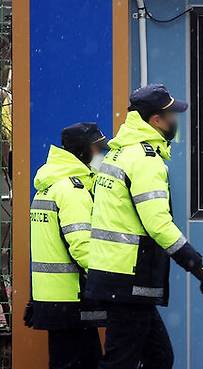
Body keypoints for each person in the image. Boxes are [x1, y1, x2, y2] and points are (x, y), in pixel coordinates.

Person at [85, 84, 203, 369]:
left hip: (114, 276)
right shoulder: (145, 160)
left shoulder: (118, 154)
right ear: (156, 120)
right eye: (171, 115)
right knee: (123, 361)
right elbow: (157, 222)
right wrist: (193, 260)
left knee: (158, 357)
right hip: (129, 278)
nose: (175, 121)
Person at [25, 122, 108, 369]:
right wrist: (108, 280)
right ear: (82, 151)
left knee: (67, 360)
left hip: (51, 296)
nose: (101, 154)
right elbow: (82, 246)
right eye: (97, 148)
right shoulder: (73, 190)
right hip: (71, 296)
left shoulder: (49, 185)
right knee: (82, 361)